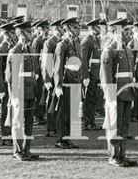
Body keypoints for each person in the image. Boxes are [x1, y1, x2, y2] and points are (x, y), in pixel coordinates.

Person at [100, 18, 138, 167]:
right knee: (114, 126)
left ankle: (122, 154)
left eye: (127, 30)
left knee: (124, 125)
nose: (127, 33)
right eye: (124, 30)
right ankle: (114, 156)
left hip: (127, 91)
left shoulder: (126, 49)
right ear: (114, 32)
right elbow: (105, 76)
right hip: (115, 92)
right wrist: (110, 97)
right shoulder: (109, 50)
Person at [7, 20, 39, 161]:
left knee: (29, 122)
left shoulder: (30, 49)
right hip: (19, 91)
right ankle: (18, 150)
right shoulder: (15, 51)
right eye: (28, 32)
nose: (31, 34)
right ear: (21, 33)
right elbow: (10, 77)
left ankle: (27, 149)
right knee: (18, 122)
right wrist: (13, 96)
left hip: (30, 89)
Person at [53, 17, 82, 150]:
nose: (78, 29)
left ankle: (67, 138)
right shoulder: (62, 45)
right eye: (75, 27)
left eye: (78, 27)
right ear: (68, 28)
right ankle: (61, 139)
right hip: (65, 82)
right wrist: (58, 85)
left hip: (75, 81)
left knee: (72, 112)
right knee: (63, 112)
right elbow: (57, 67)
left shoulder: (75, 43)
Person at [0, 20, 17, 146]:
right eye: (12, 33)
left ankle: (12, 134)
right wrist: (0, 89)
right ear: (6, 34)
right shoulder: (1, 49)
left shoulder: (14, 47)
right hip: (6, 86)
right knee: (6, 111)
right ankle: (6, 136)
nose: (15, 35)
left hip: (15, 84)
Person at [41, 19, 63, 138]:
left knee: (58, 104)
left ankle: (56, 126)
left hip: (58, 77)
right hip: (52, 77)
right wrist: (47, 79)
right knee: (51, 103)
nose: (61, 30)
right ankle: (50, 128)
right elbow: (46, 62)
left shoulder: (61, 42)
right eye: (59, 28)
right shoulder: (49, 43)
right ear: (55, 29)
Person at [80, 18, 103, 131]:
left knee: (94, 99)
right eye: (98, 27)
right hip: (90, 75)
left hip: (96, 74)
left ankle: (92, 121)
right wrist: (85, 76)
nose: (100, 29)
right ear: (92, 28)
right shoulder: (87, 41)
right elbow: (84, 61)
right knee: (88, 100)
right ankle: (88, 122)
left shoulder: (96, 40)